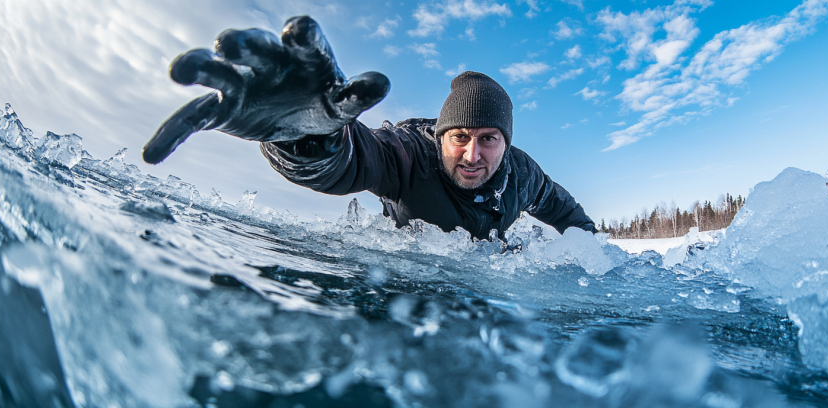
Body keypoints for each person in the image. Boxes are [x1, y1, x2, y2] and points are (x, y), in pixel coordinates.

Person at [144, 16, 596, 240]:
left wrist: (598, 257)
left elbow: (567, 213)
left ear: (506, 143)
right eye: (459, 137)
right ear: (442, 135)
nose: (472, 155)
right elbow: (354, 160)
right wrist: (306, 136)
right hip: (411, 292)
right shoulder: (406, 155)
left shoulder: (522, 173)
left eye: (488, 140)